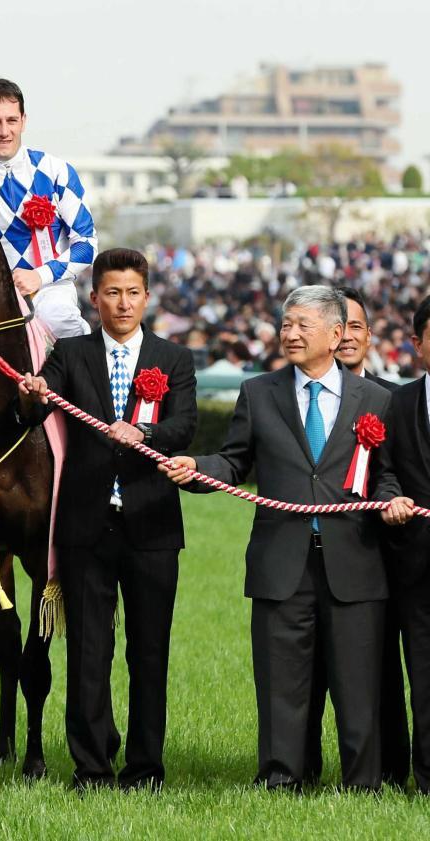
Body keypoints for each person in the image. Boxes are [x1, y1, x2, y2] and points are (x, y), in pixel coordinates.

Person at [162, 285, 413, 791]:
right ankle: (281, 778)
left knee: (358, 684)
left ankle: (362, 783)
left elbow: (385, 475)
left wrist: (392, 502)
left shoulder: (376, 400)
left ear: (335, 334)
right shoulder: (259, 393)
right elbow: (234, 461)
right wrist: (196, 469)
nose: (290, 334)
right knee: (281, 681)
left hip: (355, 563)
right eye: (286, 324)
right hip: (281, 564)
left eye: (303, 325)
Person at [17, 248, 197, 790]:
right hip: (85, 529)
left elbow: (185, 425)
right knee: (88, 652)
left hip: (152, 526)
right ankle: (91, 767)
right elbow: (34, 411)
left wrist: (145, 433)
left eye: (132, 293)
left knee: (150, 652)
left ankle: (145, 768)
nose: (123, 303)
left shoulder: (173, 359)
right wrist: (33, 393)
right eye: (112, 293)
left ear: (147, 297)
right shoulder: (70, 354)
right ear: (94, 298)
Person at [302, 286, 408, 787]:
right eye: (337, 326)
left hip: (379, 559)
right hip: (309, 557)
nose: (345, 336)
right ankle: (300, 768)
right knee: (308, 670)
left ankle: (388, 769)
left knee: (380, 671)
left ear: (366, 336)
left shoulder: (393, 400)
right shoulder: (297, 392)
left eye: (355, 327)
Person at [0, 77, 96, 338]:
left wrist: (39, 275)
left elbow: (87, 245)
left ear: (23, 121)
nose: (4, 131)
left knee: (64, 323)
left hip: (50, 290)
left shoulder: (56, 170)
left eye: (12, 120)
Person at [384, 295, 430, 794]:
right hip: (417, 564)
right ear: (418, 344)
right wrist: (392, 497)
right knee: (423, 672)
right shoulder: (397, 403)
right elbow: (386, 468)